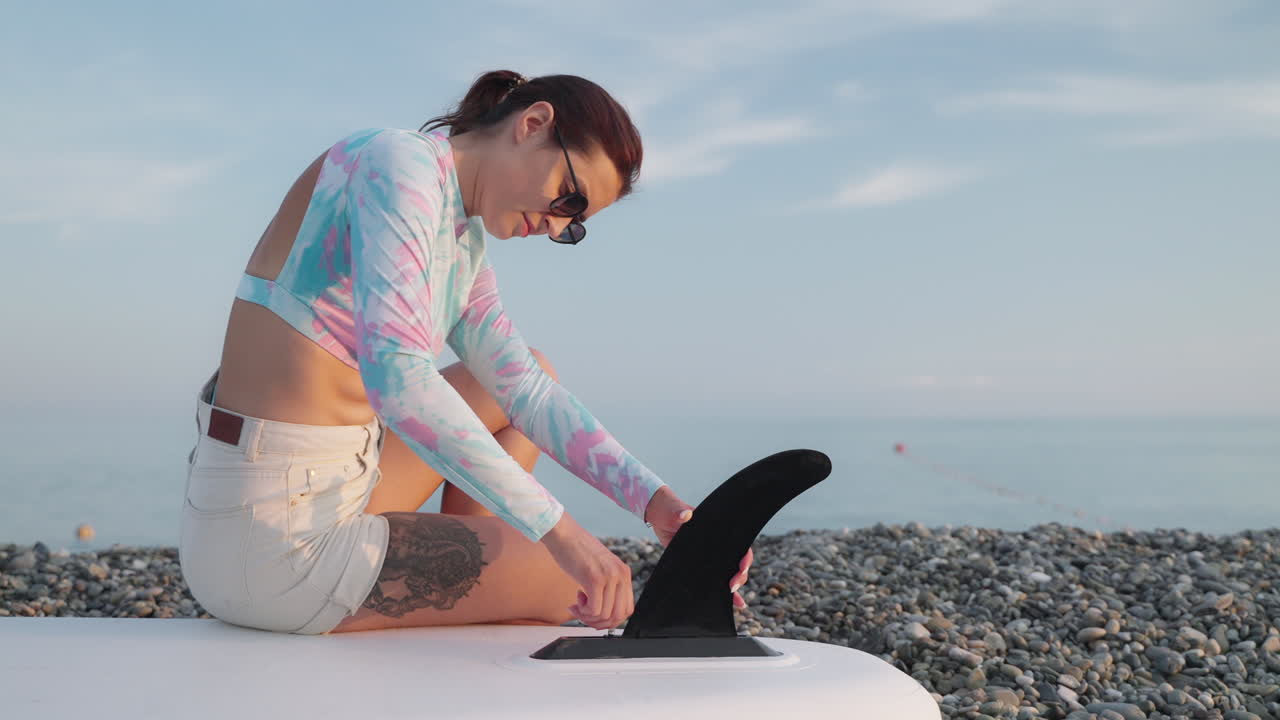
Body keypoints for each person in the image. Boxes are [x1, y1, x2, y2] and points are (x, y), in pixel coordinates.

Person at [180, 70, 753, 635]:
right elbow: (400, 383)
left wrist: (660, 506)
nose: (555, 226)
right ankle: (483, 590)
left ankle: (469, 603)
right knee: (575, 583)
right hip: (275, 543)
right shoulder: (397, 163)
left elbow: (524, 390)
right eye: (567, 198)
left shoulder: (460, 241)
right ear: (532, 124)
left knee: (528, 377)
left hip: (325, 487)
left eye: (573, 226)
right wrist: (563, 534)